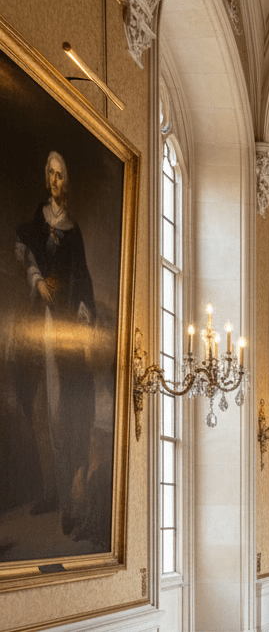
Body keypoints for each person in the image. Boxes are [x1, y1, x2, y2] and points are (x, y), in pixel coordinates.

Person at [14, 151, 98, 540]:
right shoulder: (38, 218)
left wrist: (80, 315)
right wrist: (36, 279)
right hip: (40, 321)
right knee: (41, 409)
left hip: (63, 322)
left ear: (68, 181)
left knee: (65, 411)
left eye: (60, 175)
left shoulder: (73, 230)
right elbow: (26, 250)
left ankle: (70, 498)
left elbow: (83, 278)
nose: (54, 180)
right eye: (50, 173)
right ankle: (52, 491)